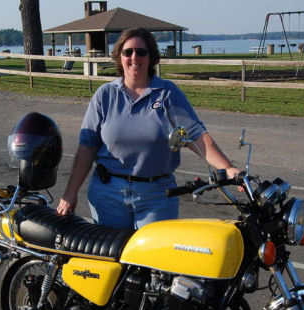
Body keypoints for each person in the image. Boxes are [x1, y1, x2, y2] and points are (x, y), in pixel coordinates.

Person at [57, 28, 239, 229]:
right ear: (120, 57)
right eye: (128, 52)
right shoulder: (105, 95)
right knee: (112, 257)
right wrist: (70, 193)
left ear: (151, 57)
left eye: (141, 52)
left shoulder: (167, 93)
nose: (134, 57)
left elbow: (196, 136)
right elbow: (87, 147)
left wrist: (228, 168)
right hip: (108, 194)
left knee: (153, 258)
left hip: (157, 195)